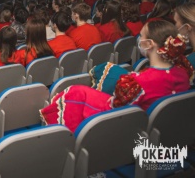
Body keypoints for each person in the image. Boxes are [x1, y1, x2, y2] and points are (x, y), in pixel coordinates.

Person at [40, 20, 193, 133]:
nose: (139, 39)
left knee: (75, 92)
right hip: (162, 128)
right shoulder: (183, 72)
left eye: (141, 36)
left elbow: (117, 111)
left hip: (129, 128)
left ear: (149, 44)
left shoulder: (138, 82)